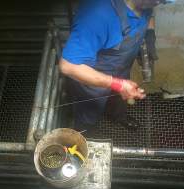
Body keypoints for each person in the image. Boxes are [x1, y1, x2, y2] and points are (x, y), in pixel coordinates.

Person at [59, 0, 162, 134]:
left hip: (121, 69)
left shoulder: (147, 3)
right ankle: (86, 135)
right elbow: (68, 66)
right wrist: (116, 84)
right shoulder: (97, 14)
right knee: (88, 113)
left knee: (118, 102)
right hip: (93, 80)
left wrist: (149, 35)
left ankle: (117, 116)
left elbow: (150, 14)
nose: (159, 3)